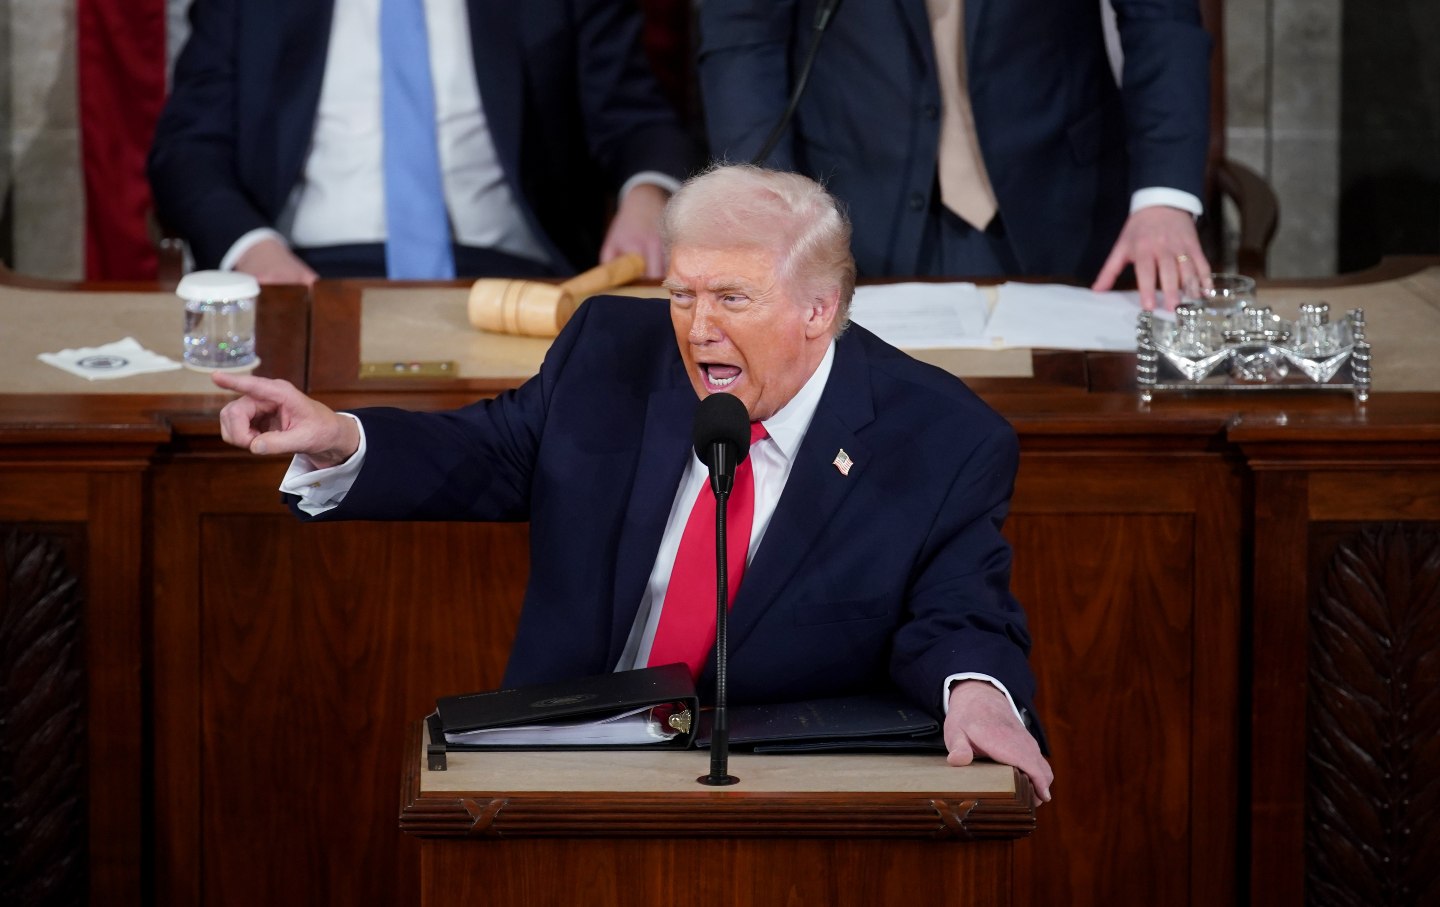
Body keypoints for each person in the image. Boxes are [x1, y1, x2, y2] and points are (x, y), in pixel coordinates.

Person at [211, 164, 1054, 802]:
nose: (698, 329)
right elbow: (490, 450)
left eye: (732, 297)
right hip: (563, 765)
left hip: (774, 790)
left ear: (818, 309)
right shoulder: (612, 350)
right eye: (682, 294)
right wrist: (339, 440)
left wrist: (978, 691)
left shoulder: (939, 438)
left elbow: (962, 611)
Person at [697, 0, 1213, 310]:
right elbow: (744, 36)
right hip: (850, 204)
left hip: (1061, 200)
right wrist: (769, 208)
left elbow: (1161, 20)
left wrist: (1163, 199)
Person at [149, 0, 696, 284]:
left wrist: (649, 197)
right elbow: (188, 149)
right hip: (301, 277)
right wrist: (253, 250)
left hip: (513, 279)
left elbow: (636, 121)